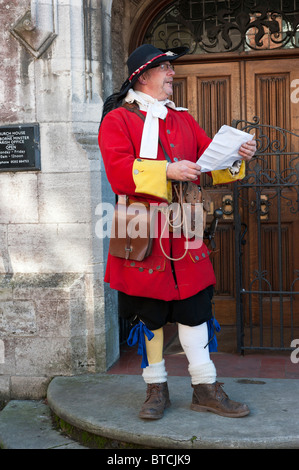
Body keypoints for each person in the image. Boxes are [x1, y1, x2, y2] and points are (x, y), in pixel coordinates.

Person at [98, 44, 256, 420]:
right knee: (149, 311)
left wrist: (236, 157)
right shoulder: (118, 120)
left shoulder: (182, 119)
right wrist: (166, 171)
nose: (172, 74)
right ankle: (156, 388)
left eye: (171, 67)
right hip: (138, 221)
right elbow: (117, 169)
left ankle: (205, 386)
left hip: (183, 221)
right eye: (165, 68)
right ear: (142, 76)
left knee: (195, 308)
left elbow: (207, 165)